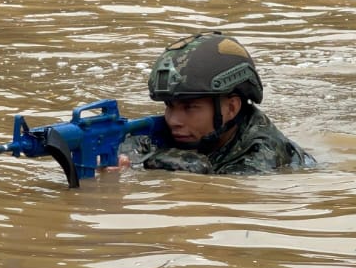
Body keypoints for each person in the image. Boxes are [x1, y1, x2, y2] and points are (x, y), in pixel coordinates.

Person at [118, 32, 315, 174]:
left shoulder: (265, 152)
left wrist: (146, 163)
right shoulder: (182, 131)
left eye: (190, 107)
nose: (173, 120)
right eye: (169, 105)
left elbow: (225, 193)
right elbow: (134, 145)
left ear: (231, 108)